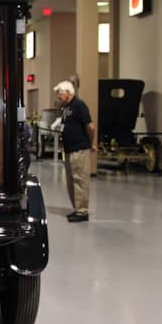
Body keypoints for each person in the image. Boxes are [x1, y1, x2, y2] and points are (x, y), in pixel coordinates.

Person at [54, 80, 96, 222]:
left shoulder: (79, 105)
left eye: (60, 93)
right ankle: (77, 209)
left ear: (68, 93)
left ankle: (82, 212)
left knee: (80, 180)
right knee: (71, 181)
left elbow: (90, 127)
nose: (58, 96)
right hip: (69, 149)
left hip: (79, 148)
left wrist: (90, 143)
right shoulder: (66, 107)